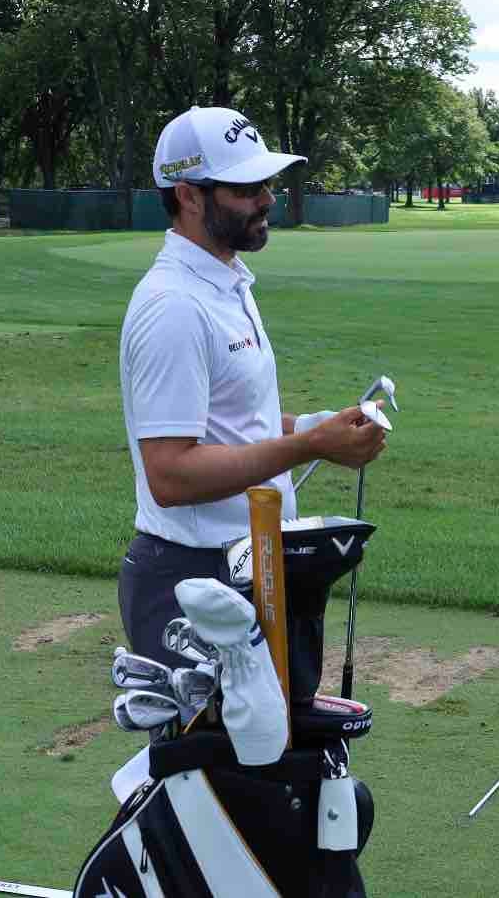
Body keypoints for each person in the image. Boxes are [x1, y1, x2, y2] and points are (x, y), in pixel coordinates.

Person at [118, 106, 386, 668]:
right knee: (220, 758)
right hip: (192, 581)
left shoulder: (226, 283)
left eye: (264, 183)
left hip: (250, 566)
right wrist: (309, 447)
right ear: (189, 196)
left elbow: (234, 422)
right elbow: (170, 473)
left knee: (275, 750)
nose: (266, 198)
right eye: (245, 187)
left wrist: (317, 428)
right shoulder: (175, 306)